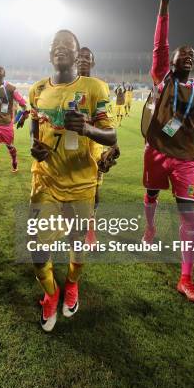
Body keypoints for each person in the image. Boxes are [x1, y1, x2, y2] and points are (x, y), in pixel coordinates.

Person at [28, 30, 116, 332]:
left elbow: (112, 134)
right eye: (56, 44)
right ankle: (51, 294)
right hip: (46, 181)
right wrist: (36, 148)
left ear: (77, 54)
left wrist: (88, 130)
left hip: (81, 183)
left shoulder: (95, 87)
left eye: (68, 45)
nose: (61, 48)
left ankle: (73, 285)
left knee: (77, 244)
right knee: (37, 250)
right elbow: (34, 128)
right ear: (49, 53)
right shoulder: (37, 89)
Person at [140, 0, 194, 304]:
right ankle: (150, 229)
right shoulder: (162, 77)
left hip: (185, 159)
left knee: (190, 218)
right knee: (152, 195)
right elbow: (159, 44)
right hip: (156, 151)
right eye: (183, 54)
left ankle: (186, 279)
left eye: (192, 56)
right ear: (171, 62)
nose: (188, 57)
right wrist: (164, 3)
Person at [77, 47, 120, 245]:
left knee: (94, 190)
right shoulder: (63, 85)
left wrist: (114, 144)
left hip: (93, 146)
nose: (83, 60)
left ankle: (90, 231)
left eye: (87, 57)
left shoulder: (99, 86)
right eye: (79, 57)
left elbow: (106, 120)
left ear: (93, 63)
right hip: (66, 148)